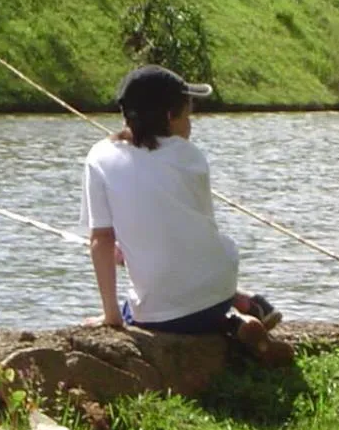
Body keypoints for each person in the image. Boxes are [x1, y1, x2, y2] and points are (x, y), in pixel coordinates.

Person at [82, 65, 285, 358]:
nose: (190, 125)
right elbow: (183, 230)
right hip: (219, 289)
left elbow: (101, 239)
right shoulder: (192, 156)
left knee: (142, 311)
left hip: (163, 314)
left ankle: (236, 321)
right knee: (199, 294)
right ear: (169, 117)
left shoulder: (98, 157)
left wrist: (111, 316)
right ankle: (237, 315)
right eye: (187, 116)